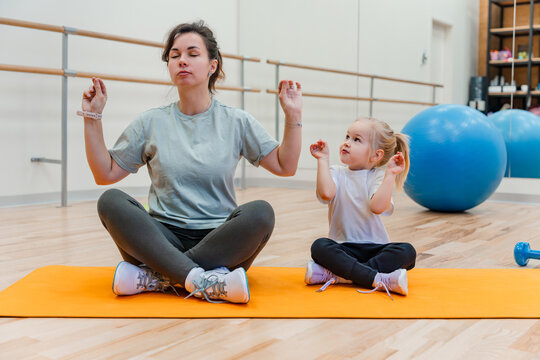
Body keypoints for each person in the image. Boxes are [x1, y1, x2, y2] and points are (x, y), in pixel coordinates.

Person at [79, 21, 302, 304]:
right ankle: (203, 280)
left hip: (220, 242)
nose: (182, 60)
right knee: (110, 201)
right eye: (174, 55)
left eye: (192, 53)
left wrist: (293, 116)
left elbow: (285, 166)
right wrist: (92, 117)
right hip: (160, 240)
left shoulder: (236, 121)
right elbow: (104, 174)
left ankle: (160, 277)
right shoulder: (151, 122)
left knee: (261, 213)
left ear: (212, 65)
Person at [305, 117, 416, 299]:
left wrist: (390, 175)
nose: (347, 143)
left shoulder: (378, 177)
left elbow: (377, 207)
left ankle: (341, 276)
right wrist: (323, 160)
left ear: (376, 155)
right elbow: (326, 194)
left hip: (375, 248)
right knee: (319, 246)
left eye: (356, 140)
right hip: (343, 248)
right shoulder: (336, 172)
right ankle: (378, 278)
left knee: (407, 251)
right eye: (347, 136)